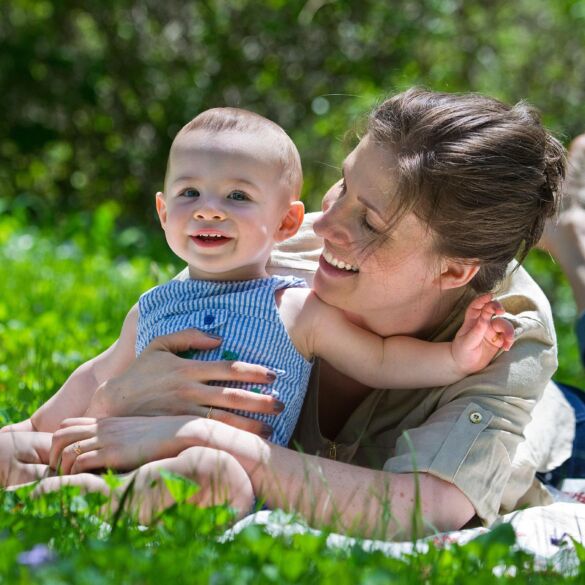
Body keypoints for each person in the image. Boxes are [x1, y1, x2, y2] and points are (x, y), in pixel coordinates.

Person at [0, 89, 564, 537]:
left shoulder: (504, 332)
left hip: (557, 428)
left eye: (369, 223)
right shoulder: (269, 251)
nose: (325, 225)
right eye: (343, 184)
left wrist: (219, 440)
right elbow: (120, 369)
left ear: (455, 271)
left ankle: (576, 235)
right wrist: (109, 405)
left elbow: (426, 506)